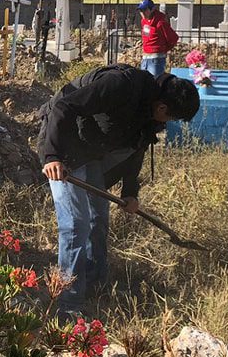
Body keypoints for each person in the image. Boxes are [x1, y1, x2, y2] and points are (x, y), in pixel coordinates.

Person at [38, 65, 200, 315]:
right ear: (163, 108)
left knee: (98, 217)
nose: (168, 123)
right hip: (62, 142)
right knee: (75, 224)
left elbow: (138, 147)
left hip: (88, 149)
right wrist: (52, 156)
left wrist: (130, 192)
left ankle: (93, 282)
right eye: (171, 118)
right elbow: (64, 107)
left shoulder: (149, 109)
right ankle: (68, 304)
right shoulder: (120, 85)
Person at [136, 0, 178, 77]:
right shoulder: (143, 21)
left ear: (152, 9)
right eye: (140, 10)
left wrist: (162, 49)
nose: (142, 13)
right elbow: (146, 37)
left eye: (145, 10)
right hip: (145, 57)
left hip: (156, 59)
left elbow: (173, 38)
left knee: (155, 83)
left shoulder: (160, 23)